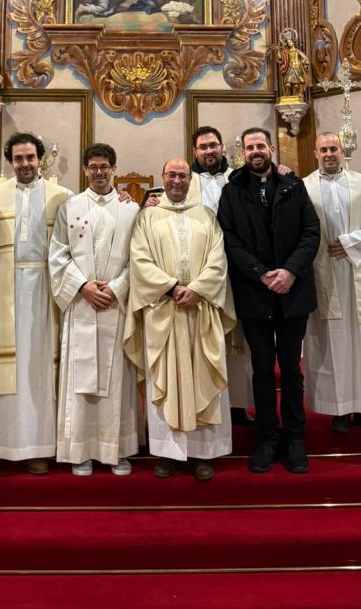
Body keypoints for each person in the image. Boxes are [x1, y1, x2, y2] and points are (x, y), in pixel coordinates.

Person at [125, 158, 235, 481]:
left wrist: (198, 290)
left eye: (182, 175)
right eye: (171, 175)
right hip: (164, 310)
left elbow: (218, 259)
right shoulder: (147, 217)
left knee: (204, 376)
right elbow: (139, 260)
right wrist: (172, 287)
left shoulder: (207, 216)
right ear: (162, 177)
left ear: (191, 179)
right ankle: (167, 453)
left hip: (200, 311)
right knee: (166, 379)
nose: (177, 180)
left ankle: (203, 453)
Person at [218, 128, 319, 475]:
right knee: (261, 370)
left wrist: (290, 271)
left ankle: (295, 438)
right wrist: (261, 273)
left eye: (260, 145)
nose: (256, 151)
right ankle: (267, 437)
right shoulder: (232, 191)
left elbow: (310, 232)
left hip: (293, 292)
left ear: (271, 149)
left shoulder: (294, 185)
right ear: (242, 153)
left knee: (290, 369)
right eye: (250, 147)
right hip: (254, 294)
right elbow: (228, 239)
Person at [0, 132, 72, 475]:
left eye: (30, 157)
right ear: (10, 161)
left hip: (46, 290)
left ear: (40, 159)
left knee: (39, 368)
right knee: (0, 369)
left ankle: (39, 447)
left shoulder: (62, 196)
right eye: (18, 158)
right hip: (2, 289)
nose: (25, 164)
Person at [48, 143, 139, 475]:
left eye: (105, 167)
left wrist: (117, 288)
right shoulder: (70, 206)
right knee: (80, 380)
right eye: (93, 167)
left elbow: (139, 257)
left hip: (115, 305)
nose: (99, 172)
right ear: (85, 170)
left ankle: (118, 449)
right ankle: (80, 450)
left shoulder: (131, 209)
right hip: (81, 304)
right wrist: (82, 286)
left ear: (114, 169)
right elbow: (58, 254)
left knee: (117, 382)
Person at [303, 133, 361, 435]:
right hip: (324, 272)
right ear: (316, 154)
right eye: (324, 149)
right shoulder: (305, 187)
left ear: (342, 152)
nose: (329, 153)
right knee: (334, 343)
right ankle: (340, 409)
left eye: (334, 149)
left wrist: (350, 242)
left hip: (359, 271)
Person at [188, 126, 252, 424]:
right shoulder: (185, 182)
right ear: (195, 152)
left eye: (213, 145)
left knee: (238, 338)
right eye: (203, 147)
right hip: (202, 270)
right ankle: (206, 400)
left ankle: (237, 404)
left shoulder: (239, 178)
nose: (209, 151)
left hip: (237, 268)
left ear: (222, 147)